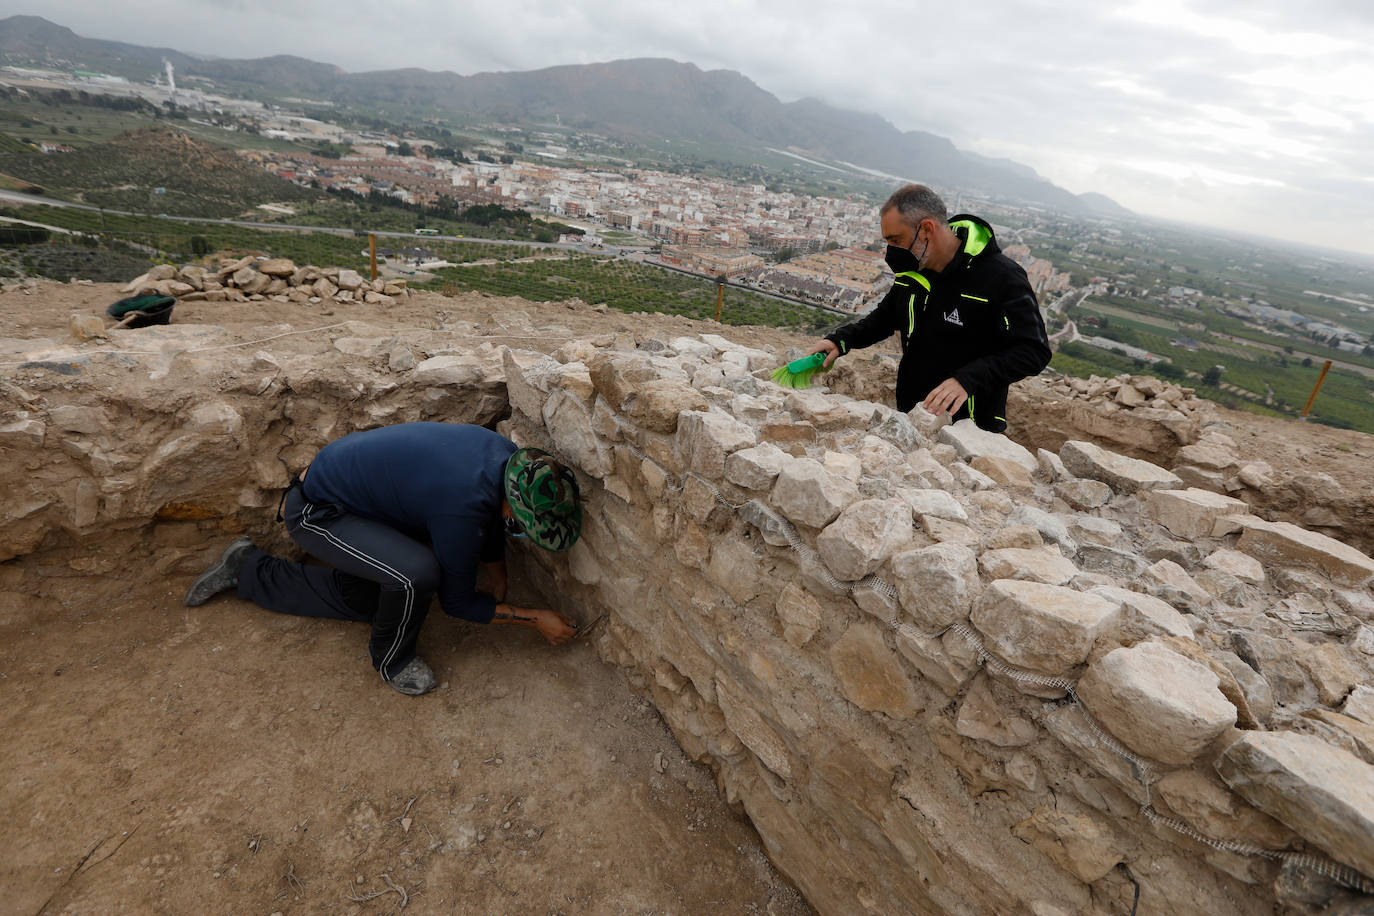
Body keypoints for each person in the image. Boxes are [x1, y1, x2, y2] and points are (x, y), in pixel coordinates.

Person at [184, 422, 583, 696]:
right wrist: (533, 618)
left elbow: (489, 519)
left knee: (370, 599)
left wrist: (498, 574)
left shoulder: (504, 458)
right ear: (513, 505)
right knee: (414, 577)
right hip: (318, 511)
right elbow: (457, 603)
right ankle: (394, 661)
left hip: (360, 499)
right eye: (526, 524)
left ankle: (247, 568)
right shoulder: (460, 508)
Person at [806, 184, 1051, 433]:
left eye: (896, 240)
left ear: (926, 229)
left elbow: (1034, 350)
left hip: (969, 429)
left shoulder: (1001, 277)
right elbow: (885, 318)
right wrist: (840, 341)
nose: (891, 251)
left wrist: (967, 380)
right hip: (912, 415)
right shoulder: (913, 272)